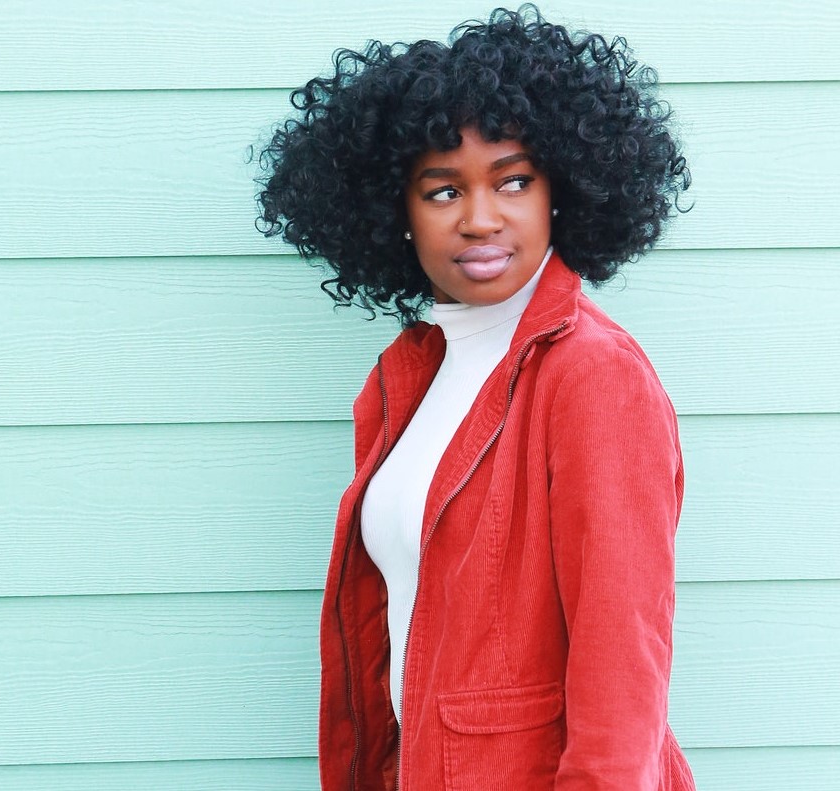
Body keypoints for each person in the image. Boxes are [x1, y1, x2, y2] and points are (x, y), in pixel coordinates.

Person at [254, 5, 694, 789]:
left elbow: (621, 665)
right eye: (442, 190)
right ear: (399, 211)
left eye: (514, 180)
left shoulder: (593, 374)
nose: (480, 218)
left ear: (563, 190)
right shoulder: (412, 374)